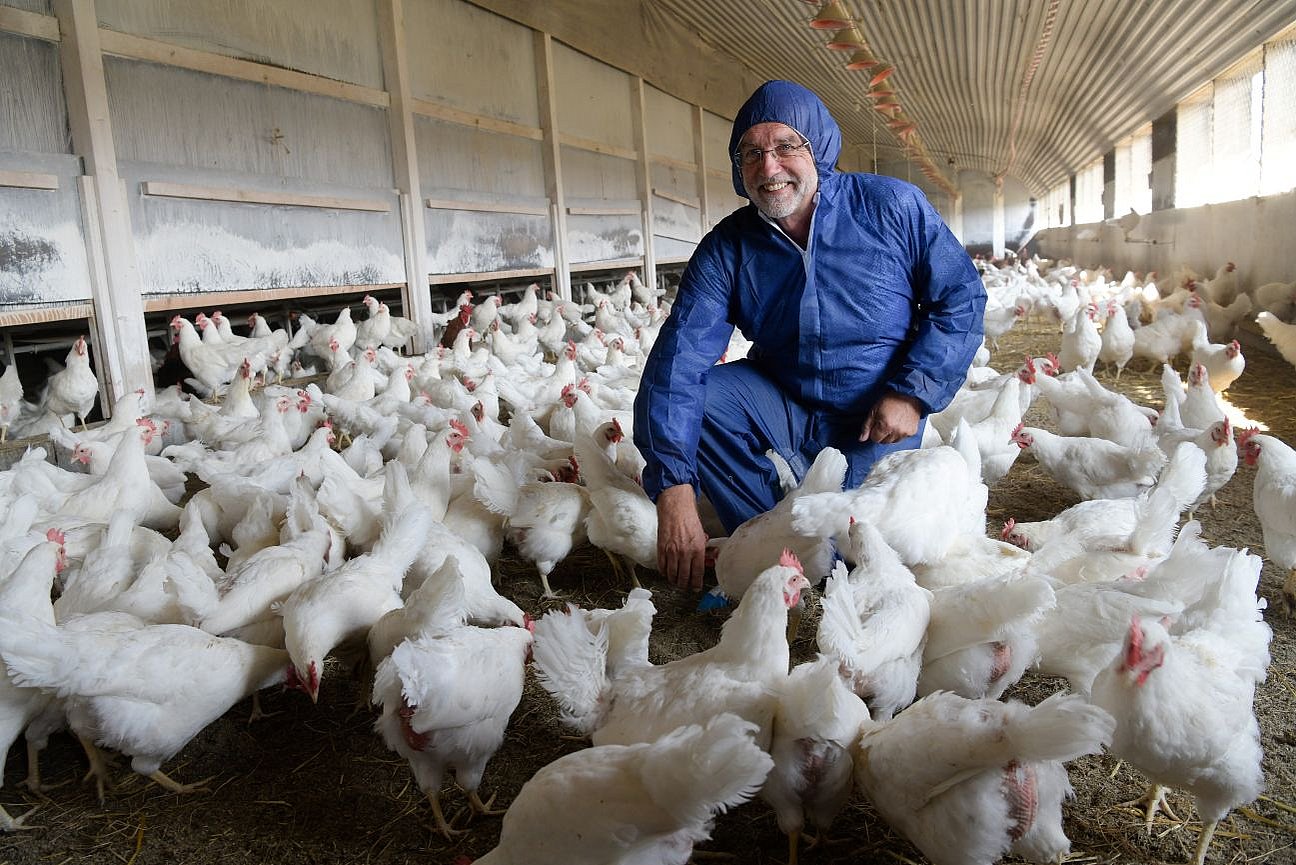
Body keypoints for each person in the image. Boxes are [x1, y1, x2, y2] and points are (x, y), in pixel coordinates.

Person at [632, 79, 986, 591]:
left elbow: (961, 298)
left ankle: (819, 553)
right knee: (704, 400)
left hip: (875, 415)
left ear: (817, 148)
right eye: (751, 154)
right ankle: (771, 556)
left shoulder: (890, 208)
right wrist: (674, 485)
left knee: (859, 552)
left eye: (785, 147)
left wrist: (912, 393)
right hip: (787, 401)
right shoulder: (728, 249)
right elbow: (678, 361)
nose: (768, 168)